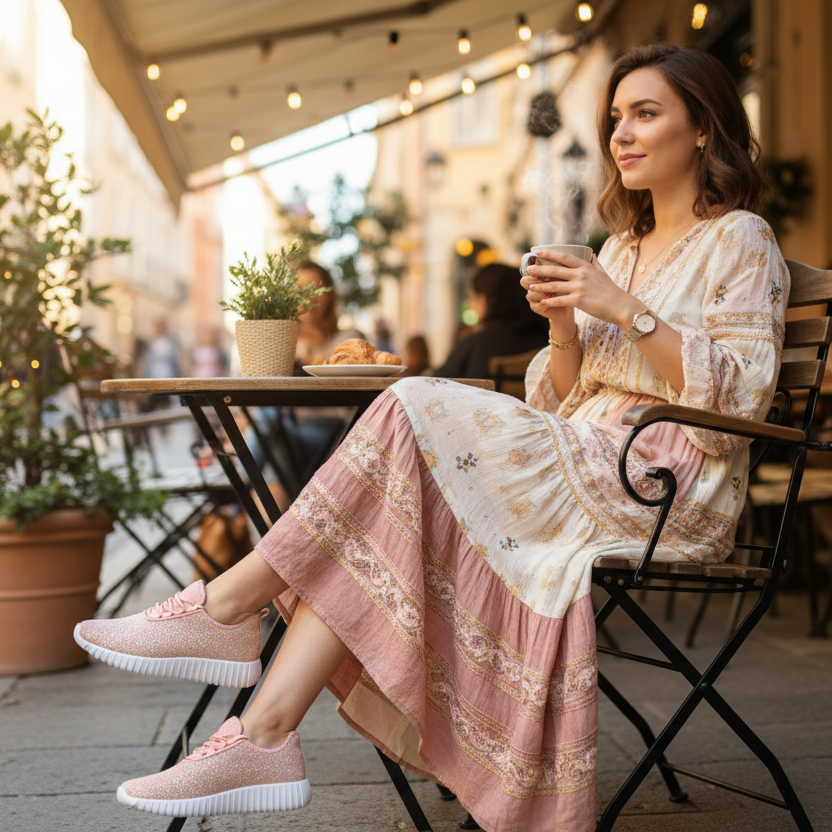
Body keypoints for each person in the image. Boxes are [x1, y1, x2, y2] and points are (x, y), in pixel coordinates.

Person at [74, 44, 787, 832]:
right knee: (381, 512)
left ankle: (234, 604)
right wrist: (563, 325)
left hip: (657, 487)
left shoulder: (741, 241)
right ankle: (264, 729)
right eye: (616, 116)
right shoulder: (620, 247)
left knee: (411, 402)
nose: (621, 134)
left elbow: (741, 397)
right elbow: (562, 399)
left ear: (704, 128)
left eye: (645, 114)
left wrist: (624, 310)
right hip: (579, 460)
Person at [434, 262, 549, 379]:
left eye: (473, 298)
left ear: (483, 300)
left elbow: (438, 384)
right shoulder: (548, 343)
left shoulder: (473, 346)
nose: (470, 304)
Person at [294, 261, 362, 367]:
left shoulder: (347, 342)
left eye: (317, 289)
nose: (310, 298)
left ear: (330, 296)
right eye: (300, 290)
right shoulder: (282, 347)